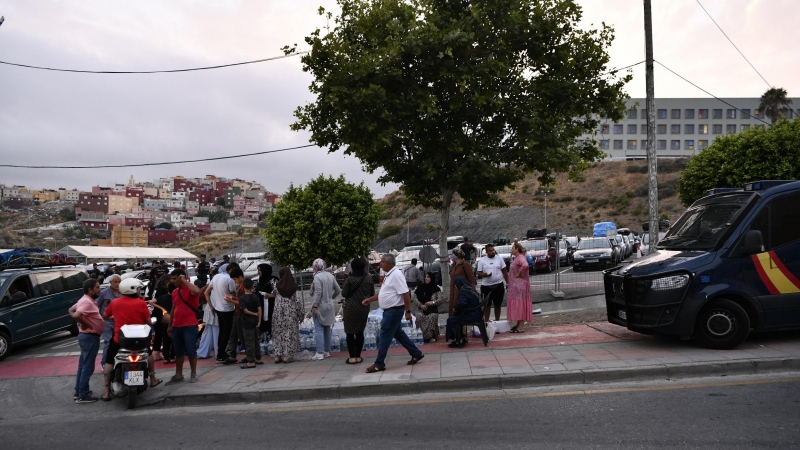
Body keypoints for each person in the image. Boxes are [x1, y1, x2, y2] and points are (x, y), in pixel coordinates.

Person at [361, 254, 424, 373]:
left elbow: (405, 293)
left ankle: (379, 363)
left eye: (383, 262)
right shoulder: (389, 275)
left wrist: (408, 311)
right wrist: (370, 299)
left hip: (394, 310)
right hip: (389, 310)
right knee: (398, 333)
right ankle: (416, 353)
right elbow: (385, 293)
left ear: (390, 263)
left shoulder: (396, 275)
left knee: (384, 335)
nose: (380, 265)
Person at [100, 279, 160, 401]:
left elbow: (105, 316)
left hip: (120, 340)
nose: (139, 291)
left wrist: (115, 316)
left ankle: (106, 391)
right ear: (132, 289)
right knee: (148, 354)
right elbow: (148, 321)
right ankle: (153, 379)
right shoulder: (141, 303)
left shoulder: (115, 303)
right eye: (138, 288)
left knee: (109, 361)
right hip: (139, 340)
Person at [69, 278, 103, 404]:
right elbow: (76, 314)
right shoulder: (87, 302)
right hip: (89, 337)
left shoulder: (84, 300)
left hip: (87, 337)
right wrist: (84, 324)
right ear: (90, 290)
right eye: (97, 287)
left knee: (83, 366)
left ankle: (79, 391)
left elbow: (71, 310)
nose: (100, 289)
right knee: (87, 367)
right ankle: (82, 395)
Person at [166, 269, 202, 385]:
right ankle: (178, 374)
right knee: (178, 351)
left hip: (190, 325)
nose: (173, 281)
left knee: (191, 350)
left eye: (175, 278)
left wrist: (184, 281)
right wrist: (170, 325)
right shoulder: (175, 292)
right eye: (172, 279)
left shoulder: (190, 289)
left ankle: (193, 373)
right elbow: (173, 309)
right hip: (177, 325)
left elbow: (196, 291)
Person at [340, 257, 375, 364]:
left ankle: (352, 357)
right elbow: (372, 293)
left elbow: (344, 293)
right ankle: (359, 356)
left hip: (350, 308)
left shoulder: (349, 279)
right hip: (364, 308)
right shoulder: (369, 278)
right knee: (360, 332)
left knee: (350, 333)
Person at [205, 262, 239, 364]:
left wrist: (211, 305)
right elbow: (233, 295)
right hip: (228, 308)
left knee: (221, 332)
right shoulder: (230, 279)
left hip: (218, 308)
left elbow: (206, 292)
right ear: (231, 270)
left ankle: (220, 354)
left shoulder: (215, 277)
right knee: (226, 333)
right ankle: (221, 355)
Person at [310, 258, 341, 361]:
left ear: (316, 267)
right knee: (327, 328)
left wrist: (315, 306)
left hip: (319, 306)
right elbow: (338, 289)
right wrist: (331, 297)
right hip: (329, 305)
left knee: (319, 328)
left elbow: (318, 292)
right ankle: (327, 351)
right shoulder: (330, 276)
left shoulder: (317, 277)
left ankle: (319, 352)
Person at [272, 267, 305, 363]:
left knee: (278, 333)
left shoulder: (276, 285)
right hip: (289, 312)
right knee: (288, 333)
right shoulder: (293, 287)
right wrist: (301, 315)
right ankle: (286, 355)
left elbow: (273, 294)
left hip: (278, 312)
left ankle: (277, 355)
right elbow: (297, 302)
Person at [445, 277, 482, 348]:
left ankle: (457, 339)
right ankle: (460, 338)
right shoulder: (470, 288)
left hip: (472, 315)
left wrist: (455, 308)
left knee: (451, 319)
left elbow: (462, 303)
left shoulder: (463, 291)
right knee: (455, 317)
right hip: (477, 313)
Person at [477, 243, 509, 323]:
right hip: (486, 286)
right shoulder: (482, 261)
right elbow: (479, 273)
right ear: (486, 252)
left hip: (498, 285)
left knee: (497, 304)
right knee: (487, 305)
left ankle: (497, 321)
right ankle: (487, 321)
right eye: (490, 251)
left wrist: (508, 283)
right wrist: (485, 274)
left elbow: (504, 272)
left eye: (493, 250)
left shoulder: (499, 259)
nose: (492, 252)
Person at [95, 274, 121, 367]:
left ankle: (117, 362)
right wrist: (101, 316)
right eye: (115, 282)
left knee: (119, 342)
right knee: (108, 342)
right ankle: (105, 363)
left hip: (119, 322)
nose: (117, 284)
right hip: (107, 322)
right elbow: (96, 305)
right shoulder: (104, 293)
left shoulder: (122, 293)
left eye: (119, 282)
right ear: (110, 282)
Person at [507, 242, 532, 333]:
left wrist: (520, 272)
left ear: (517, 249)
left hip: (519, 286)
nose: (511, 249)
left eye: (513, 248)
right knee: (519, 304)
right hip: (516, 286)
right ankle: (518, 324)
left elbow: (525, 265)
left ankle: (521, 326)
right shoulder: (517, 258)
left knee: (520, 304)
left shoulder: (520, 258)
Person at [238, 278, 263, 369]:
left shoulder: (242, 298)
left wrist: (253, 314)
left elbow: (245, 310)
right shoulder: (255, 297)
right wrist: (259, 319)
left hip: (247, 322)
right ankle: (258, 357)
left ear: (243, 286)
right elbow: (259, 308)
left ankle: (251, 361)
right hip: (255, 321)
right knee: (256, 340)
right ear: (252, 286)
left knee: (249, 341)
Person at [412, 272, 444, 342]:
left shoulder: (436, 288)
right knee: (419, 316)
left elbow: (440, 299)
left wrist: (432, 302)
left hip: (432, 309)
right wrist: (421, 305)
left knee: (432, 316)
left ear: (431, 278)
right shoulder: (420, 287)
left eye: (428, 277)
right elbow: (414, 298)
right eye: (425, 277)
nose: (426, 278)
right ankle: (422, 336)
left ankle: (430, 336)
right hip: (421, 308)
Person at [448, 247, 477, 316]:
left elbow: (471, 277)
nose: (452, 255)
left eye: (453, 254)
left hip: (461, 290)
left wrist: (473, 290)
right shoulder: (454, 264)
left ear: (457, 255)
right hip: (453, 289)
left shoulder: (465, 264)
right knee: (452, 307)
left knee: (460, 306)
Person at [256, 264, 277, 336]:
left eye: (260, 270)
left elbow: (278, 293)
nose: (258, 272)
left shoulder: (272, 280)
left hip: (270, 304)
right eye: (258, 270)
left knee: (270, 320)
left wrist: (270, 295)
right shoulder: (260, 279)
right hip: (261, 303)